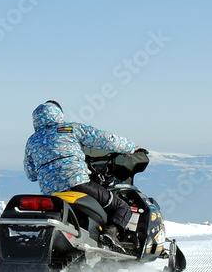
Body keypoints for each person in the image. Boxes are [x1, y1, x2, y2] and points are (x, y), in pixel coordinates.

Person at [23, 100, 139, 252]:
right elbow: (103, 139)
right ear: (58, 114)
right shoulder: (69, 129)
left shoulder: (32, 141)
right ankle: (110, 234)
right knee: (122, 206)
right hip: (77, 183)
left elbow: (31, 174)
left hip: (52, 194)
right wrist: (130, 147)